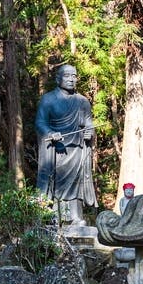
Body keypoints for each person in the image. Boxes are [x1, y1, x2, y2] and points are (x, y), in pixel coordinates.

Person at [35, 64, 96, 224]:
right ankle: (55, 216)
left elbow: (88, 123)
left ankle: (76, 217)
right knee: (55, 182)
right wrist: (50, 133)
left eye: (74, 76)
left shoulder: (82, 101)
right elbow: (40, 122)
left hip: (77, 148)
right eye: (67, 75)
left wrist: (89, 132)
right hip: (57, 149)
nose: (71, 79)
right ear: (58, 79)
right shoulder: (48, 99)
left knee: (76, 182)